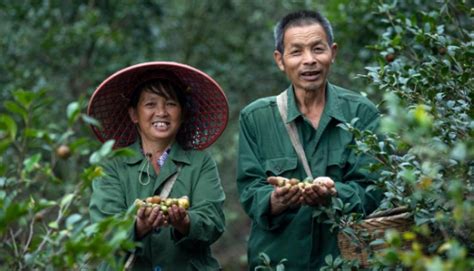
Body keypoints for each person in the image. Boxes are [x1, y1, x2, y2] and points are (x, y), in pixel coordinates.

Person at [236, 10, 382, 270]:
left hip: (345, 260)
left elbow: (375, 190)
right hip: (277, 262)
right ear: (280, 60)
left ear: (332, 53)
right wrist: (276, 200)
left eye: (318, 49)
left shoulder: (361, 113)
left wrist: (334, 193)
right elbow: (250, 190)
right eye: (296, 52)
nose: (309, 60)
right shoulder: (256, 118)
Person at [88, 61, 229, 270]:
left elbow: (213, 221)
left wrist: (185, 223)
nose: (161, 112)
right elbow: (103, 229)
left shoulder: (200, 163)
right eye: (150, 104)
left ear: (182, 113)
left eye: (171, 103)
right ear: (134, 114)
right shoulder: (111, 166)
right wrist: (137, 226)